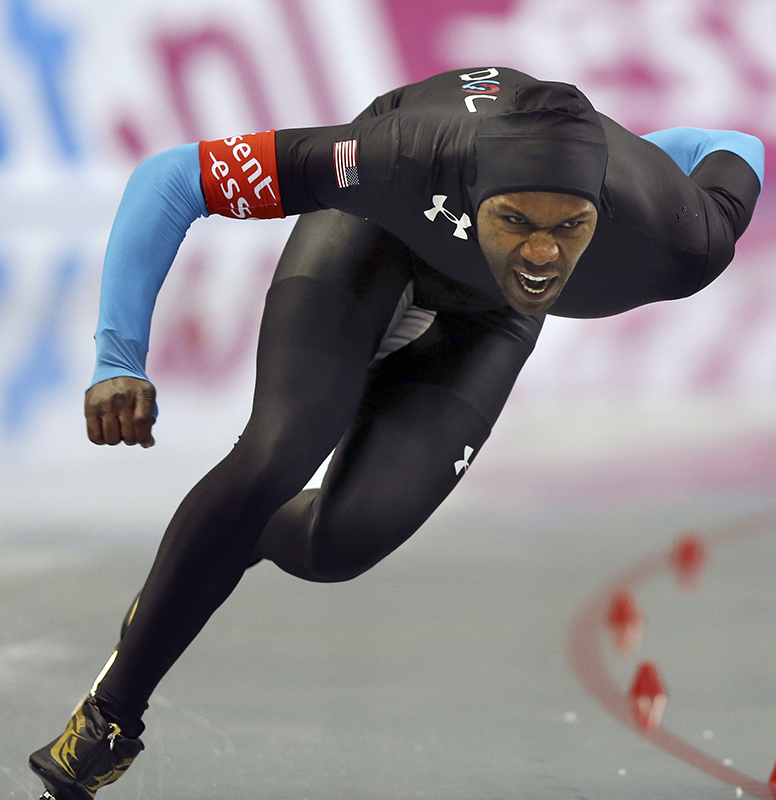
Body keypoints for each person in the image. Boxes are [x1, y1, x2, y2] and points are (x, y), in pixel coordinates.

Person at [28, 66, 763, 800]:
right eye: (516, 221)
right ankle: (110, 721)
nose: (542, 255)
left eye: (568, 227)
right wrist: (117, 359)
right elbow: (172, 178)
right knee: (277, 455)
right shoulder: (392, 155)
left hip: (485, 318)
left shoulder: (680, 237)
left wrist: (632, 148)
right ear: (477, 193)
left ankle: (227, 539)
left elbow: (731, 143)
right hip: (374, 230)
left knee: (334, 548)